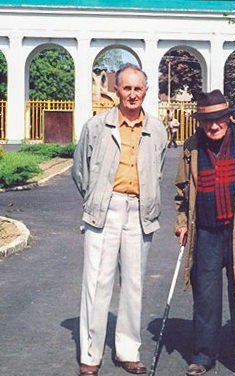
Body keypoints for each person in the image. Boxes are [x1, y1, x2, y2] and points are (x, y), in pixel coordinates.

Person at [72, 63, 167, 376]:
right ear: (116, 90)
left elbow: (158, 170)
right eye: (126, 88)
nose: (132, 94)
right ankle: (90, 355)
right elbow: (80, 170)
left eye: (138, 88)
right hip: (105, 209)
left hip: (139, 212)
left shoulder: (158, 130)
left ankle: (128, 351)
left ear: (146, 91)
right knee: (96, 284)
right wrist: (97, 198)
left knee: (133, 285)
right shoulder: (97, 126)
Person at [174, 89, 235, 376]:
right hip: (205, 231)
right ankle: (202, 356)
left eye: (219, 119)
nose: (213, 126)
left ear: (228, 118)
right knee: (205, 296)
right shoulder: (191, 147)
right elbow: (181, 192)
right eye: (207, 121)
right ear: (199, 122)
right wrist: (181, 222)